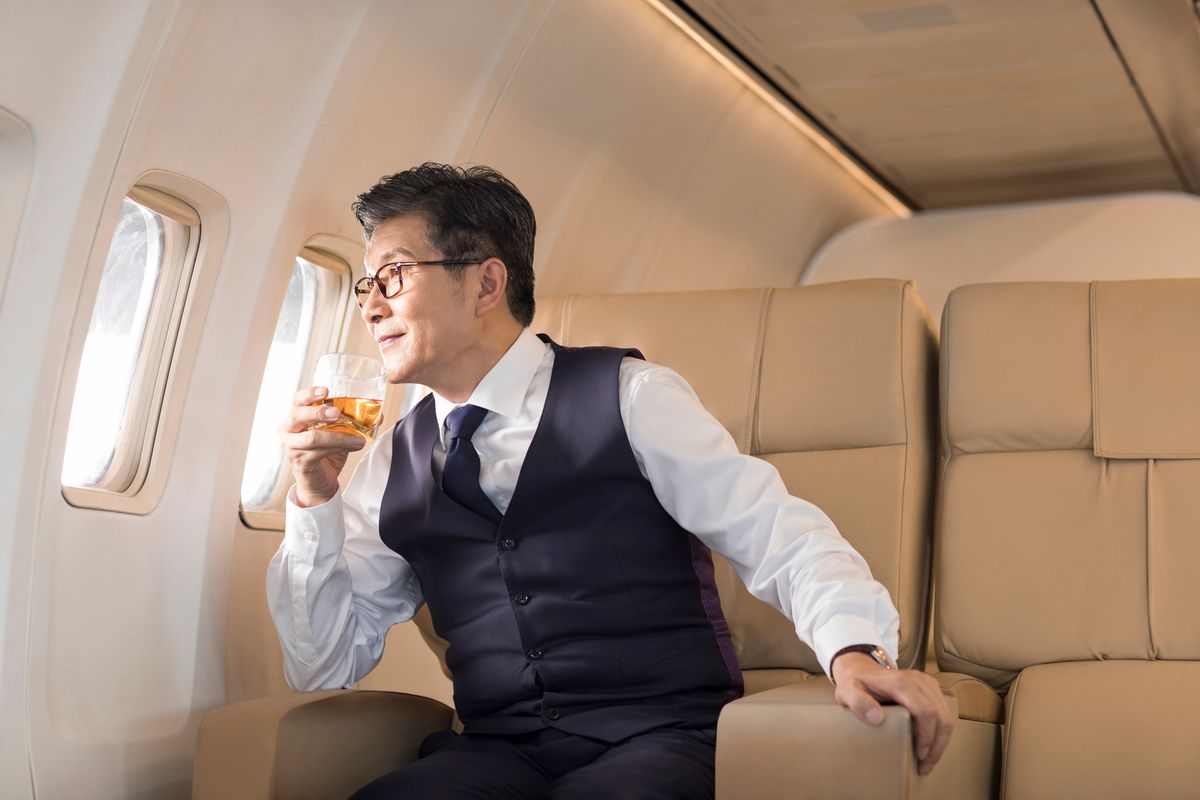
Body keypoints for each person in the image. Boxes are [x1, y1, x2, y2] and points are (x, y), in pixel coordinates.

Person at [268, 163, 953, 799]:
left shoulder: (629, 395)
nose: (370, 305)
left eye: (392, 276)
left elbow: (778, 532)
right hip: (497, 754)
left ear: (485, 283)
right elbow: (324, 667)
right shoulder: (391, 459)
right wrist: (314, 498)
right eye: (364, 284)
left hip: (665, 740)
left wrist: (853, 650)